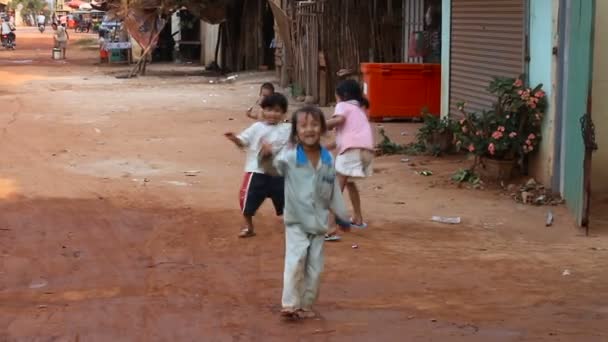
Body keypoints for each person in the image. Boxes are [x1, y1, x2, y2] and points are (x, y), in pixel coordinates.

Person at [263, 106, 350, 320]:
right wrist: (264, 157)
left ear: (323, 128)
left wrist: (341, 215)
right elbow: (272, 169)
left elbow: (332, 192)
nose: (309, 129)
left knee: (316, 268)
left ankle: (306, 304)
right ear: (296, 131)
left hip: (319, 224)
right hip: (296, 222)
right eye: (303, 126)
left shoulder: (328, 161)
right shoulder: (290, 157)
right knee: (296, 260)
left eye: (314, 124)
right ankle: (290, 304)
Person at [225, 93, 291, 238]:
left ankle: (292, 230)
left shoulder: (288, 129)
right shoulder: (257, 127)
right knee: (247, 201)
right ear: (263, 110)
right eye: (269, 110)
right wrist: (235, 139)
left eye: (277, 111)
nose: (272, 114)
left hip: (279, 173)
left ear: (283, 113)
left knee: (288, 204)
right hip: (256, 171)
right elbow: (243, 141)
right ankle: (249, 227)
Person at [326, 80, 374, 234]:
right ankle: (358, 218)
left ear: (342, 95)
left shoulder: (343, 106)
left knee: (335, 188)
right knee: (350, 183)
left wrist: (317, 124)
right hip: (365, 152)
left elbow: (338, 120)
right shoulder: (359, 109)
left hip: (351, 151)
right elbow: (341, 140)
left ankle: (330, 227)